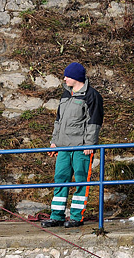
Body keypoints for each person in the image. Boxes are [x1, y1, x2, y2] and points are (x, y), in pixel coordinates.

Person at [41, 62, 104, 228]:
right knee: (60, 180)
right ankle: (57, 216)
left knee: (81, 181)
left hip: (81, 148)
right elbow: (58, 121)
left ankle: (76, 217)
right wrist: (54, 141)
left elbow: (94, 122)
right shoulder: (65, 94)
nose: (64, 78)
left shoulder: (92, 96)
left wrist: (90, 144)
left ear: (76, 77)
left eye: (67, 76)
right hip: (63, 148)